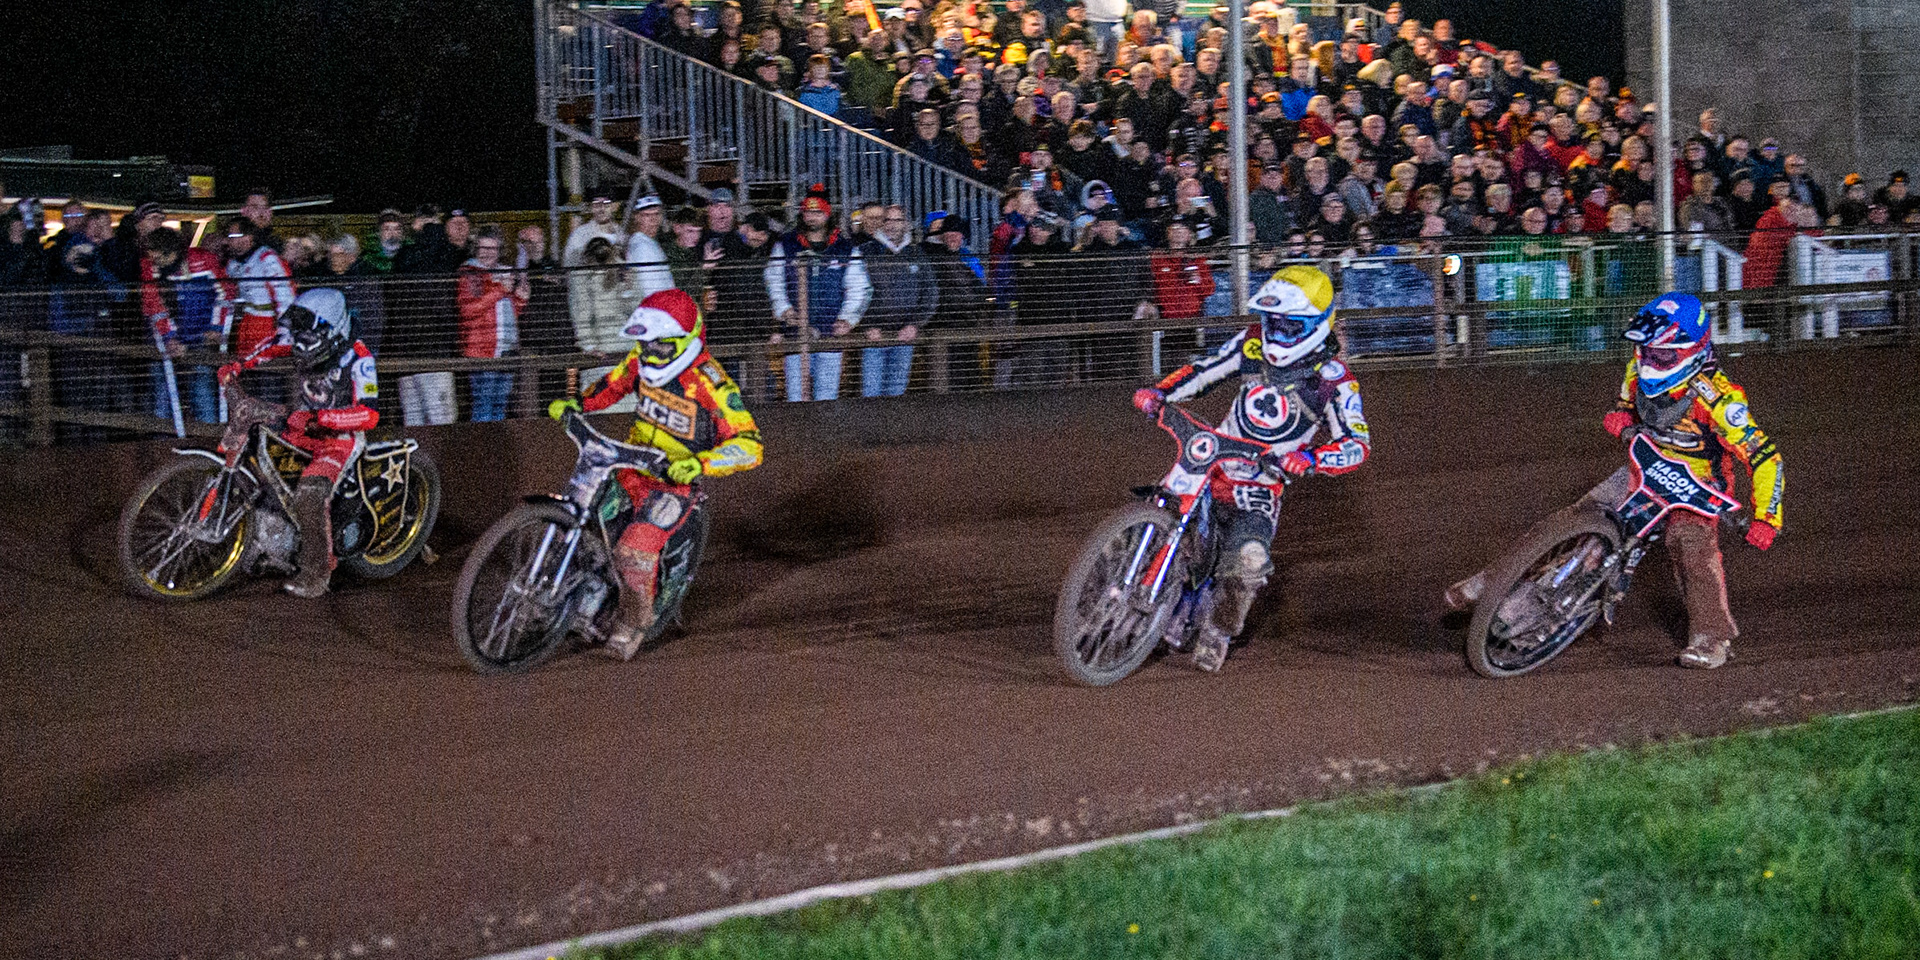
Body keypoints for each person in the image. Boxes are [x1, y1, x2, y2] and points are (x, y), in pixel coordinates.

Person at [1444, 294, 1783, 669]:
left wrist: (1767, 517)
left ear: (1693, 351)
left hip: (1697, 486)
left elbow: (1765, 456)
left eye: (1661, 356)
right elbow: (1625, 404)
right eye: (1644, 351)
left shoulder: (1721, 401)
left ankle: (1711, 637)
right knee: (1575, 518)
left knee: (1693, 551)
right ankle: (1494, 581)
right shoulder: (1637, 371)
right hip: (1646, 469)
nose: (1649, 361)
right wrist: (1621, 416)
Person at [1130, 265, 1371, 672]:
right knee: (1160, 506)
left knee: (1248, 561)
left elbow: (1357, 444)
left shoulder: (1335, 381)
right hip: (1211, 461)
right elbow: (1206, 369)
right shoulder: (1252, 341)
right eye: (1271, 321)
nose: (1277, 331)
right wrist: (1161, 392)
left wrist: (1312, 458)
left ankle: (1218, 630)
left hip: (1260, 485)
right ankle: (1132, 579)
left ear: (1316, 324)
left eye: (1289, 325)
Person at [546, 289, 763, 659]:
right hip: (632, 466)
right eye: (644, 344)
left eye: (657, 346)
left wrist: (700, 463)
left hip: (674, 484)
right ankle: (582, 592)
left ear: (684, 342)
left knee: (632, 551)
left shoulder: (712, 383)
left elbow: (750, 445)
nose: (648, 353)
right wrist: (579, 402)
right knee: (582, 518)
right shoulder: (642, 356)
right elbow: (614, 383)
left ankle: (636, 620)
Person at [216, 289, 380, 598]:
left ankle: (317, 573)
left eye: (308, 333)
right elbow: (272, 345)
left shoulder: (360, 358)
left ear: (332, 329)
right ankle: (267, 544)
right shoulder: (303, 342)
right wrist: (238, 366)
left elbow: (369, 414)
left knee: (310, 493)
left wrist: (323, 419)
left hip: (338, 440)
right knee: (264, 466)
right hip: (303, 427)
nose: (300, 341)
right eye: (300, 332)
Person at [765, 189, 871, 401]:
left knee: (827, 397)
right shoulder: (786, 244)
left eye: (818, 212)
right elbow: (773, 279)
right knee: (795, 396)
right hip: (795, 332)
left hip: (830, 332)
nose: (812, 217)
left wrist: (847, 319)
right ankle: (798, 434)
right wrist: (784, 309)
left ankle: (826, 435)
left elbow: (860, 287)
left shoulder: (845, 248)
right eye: (808, 212)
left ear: (828, 214)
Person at [140, 227, 235, 425]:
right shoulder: (150, 267)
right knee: (164, 391)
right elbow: (155, 305)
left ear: (172, 252)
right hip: (172, 340)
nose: (155, 263)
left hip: (202, 337)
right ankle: (163, 442)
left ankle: (207, 437)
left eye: (158, 259)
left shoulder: (204, 260)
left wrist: (216, 328)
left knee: (202, 388)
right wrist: (170, 338)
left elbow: (225, 294)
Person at [858, 204, 938, 397]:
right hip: (874, 338)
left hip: (904, 337)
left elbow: (930, 292)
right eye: (887, 220)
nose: (892, 225)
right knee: (871, 394)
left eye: (897, 220)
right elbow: (855, 292)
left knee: (896, 393)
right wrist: (866, 325)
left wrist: (915, 324)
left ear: (906, 224)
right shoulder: (866, 252)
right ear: (881, 223)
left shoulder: (917, 254)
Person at [456, 228, 528, 422]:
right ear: (476, 249)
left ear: (499, 251)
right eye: (483, 248)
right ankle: (481, 450)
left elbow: (506, 314)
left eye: (493, 248)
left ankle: (497, 449)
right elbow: (468, 310)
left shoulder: (503, 272)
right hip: (482, 352)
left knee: (500, 406)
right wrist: (499, 289)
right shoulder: (470, 273)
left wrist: (519, 300)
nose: (487, 252)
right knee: (483, 406)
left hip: (505, 349)